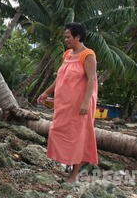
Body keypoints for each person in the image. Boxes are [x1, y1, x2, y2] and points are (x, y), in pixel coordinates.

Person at [37, 22, 98, 182]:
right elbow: (60, 77)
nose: (65, 39)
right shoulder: (67, 54)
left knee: (79, 136)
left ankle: (74, 174)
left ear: (78, 37)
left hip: (80, 105)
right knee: (57, 130)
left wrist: (85, 103)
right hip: (64, 103)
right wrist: (46, 92)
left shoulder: (88, 55)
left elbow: (92, 79)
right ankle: (66, 162)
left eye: (68, 37)